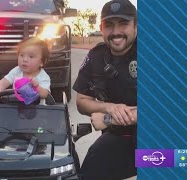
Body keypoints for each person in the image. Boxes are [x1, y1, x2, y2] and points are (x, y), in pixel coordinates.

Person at [73, 0, 137, 179]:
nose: (116, 32)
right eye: (109, 25)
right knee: (89, 171)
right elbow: (81, 102)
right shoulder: (96, 57)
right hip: (119, 139)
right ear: (101, 28)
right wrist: (108, 108)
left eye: (123, 24)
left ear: (136, 25)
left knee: (176, 163)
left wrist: (108, 119)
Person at [0, 37, 51, 101]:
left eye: (31, 56)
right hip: (15, 106)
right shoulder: (17, 70)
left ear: (42, 62)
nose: (24, 60)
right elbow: (4, 81)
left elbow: (45, 94)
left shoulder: (43, 77)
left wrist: (37, 87)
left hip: (36, 109)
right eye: (22, 55)